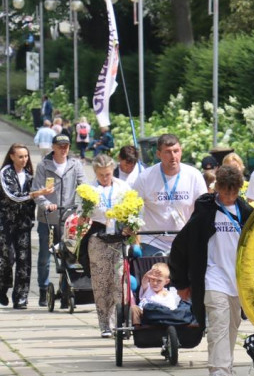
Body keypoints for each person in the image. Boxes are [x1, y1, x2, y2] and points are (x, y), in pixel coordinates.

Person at [169, 165, 254, 376]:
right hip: (212, 277)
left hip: (238, 280)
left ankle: (228, 371)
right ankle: (216, 373)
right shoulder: (206, 210)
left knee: (232, 325)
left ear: (238, 190)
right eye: (224, 192)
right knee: (218, 325)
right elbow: (181, 246)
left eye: (232, 192)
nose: (227, 197)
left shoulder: (246, 212)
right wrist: (181, 282)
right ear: (217, 188)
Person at [30, 133, 85, 307]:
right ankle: (43, 289)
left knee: (68, 256)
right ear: (53, 147)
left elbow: (84, 187)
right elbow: (36, 191)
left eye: (66, 146)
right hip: (48, 218)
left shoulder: (75, 165)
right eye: (60, 146)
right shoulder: (44, 166)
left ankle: (66, 290)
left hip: (68, 219)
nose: (63, 149)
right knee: (45, 257)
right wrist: (46, 204)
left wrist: (83, 205)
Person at [133, 134, 209, 256]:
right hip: (153, 242)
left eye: (176, 151)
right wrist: (136, 243)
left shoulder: (194, 176)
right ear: (158, 154)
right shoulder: (145, 178)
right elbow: (134, 212)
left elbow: (204, 210)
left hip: (185, 240)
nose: (173, 157)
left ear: (181, 151)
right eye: (168, 152)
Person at [82, 155, 130, 337]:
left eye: (108, 174)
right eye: (101, 175)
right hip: (98, 236)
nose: (105, 178)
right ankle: (104, 322)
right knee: (101, 281)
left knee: (120, 279)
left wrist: (129, 225)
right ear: (95, 173)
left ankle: (121, 320)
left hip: (118, 236)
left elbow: (133, 208)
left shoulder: (123, 187)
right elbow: (82, 213)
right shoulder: (89, 190)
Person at [1, 144, 47, 309]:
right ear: (12, 156)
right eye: (20, 156)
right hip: (6, 223)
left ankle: (21, 297)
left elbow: (34, 199)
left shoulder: (29, 177)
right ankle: (2, 287)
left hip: (23, 224)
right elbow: (13, 196)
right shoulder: (5, 173)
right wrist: (34, 194)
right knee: (7, 258)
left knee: (24, 260)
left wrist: (43, 198)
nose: (24, 160)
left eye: (26, 156)